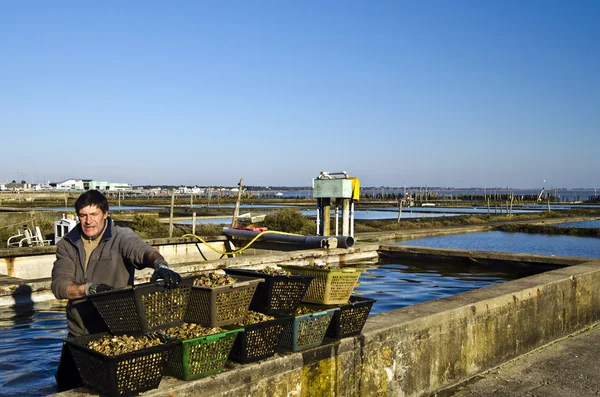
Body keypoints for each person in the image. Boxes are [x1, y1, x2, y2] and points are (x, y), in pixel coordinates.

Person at [51, 189, 182, 390]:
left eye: (94, 214)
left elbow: (142, 251)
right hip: (80, 332)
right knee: (64, 384)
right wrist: (89, 289)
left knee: (119, 386)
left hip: (118, 329)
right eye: (83, 215)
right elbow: (59, 287)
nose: (88, 221)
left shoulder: (121, 237)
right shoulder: (67, 245)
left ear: (106, 214)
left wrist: (160, 265)